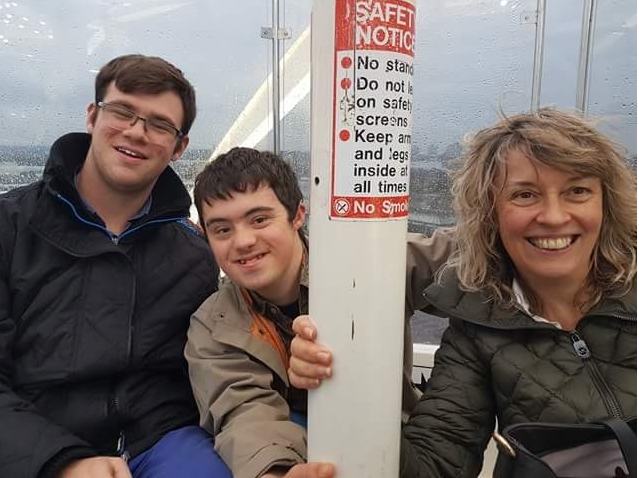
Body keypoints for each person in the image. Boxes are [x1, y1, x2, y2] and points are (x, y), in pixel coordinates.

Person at [288, 108, 637, 477]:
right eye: (525, 195)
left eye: (577, 191)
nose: (553, 215)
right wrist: (344, 375)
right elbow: (438, 463)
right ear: (491, 212)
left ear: (606, 202)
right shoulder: (477, 327)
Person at [0, 54, 231, 478]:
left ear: (179, 147)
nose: (136, 132)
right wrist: (61, 461)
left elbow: (223, 357)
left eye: (160, 124)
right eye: (122, 111)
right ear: (92, 116)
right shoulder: (10, 228)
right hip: (36, 442)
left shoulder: (193, 255)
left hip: (163, 440)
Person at [185, 147, 454, 478]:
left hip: (394, 446)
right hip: (296, 451)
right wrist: (276, 471)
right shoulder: (212, 324)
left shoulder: (368, 263)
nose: (242, 241)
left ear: (298, 215)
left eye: (259, 219)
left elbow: (458, 257)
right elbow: (243, 410)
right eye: (222, 229)